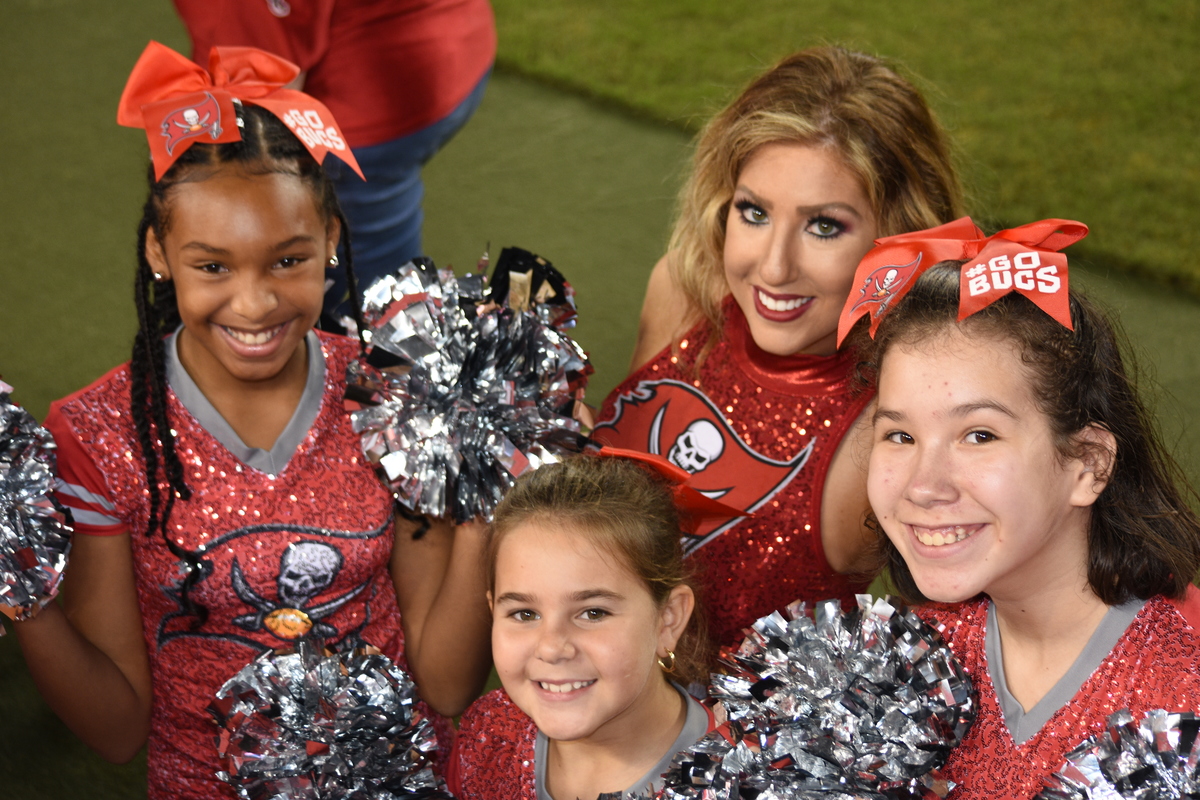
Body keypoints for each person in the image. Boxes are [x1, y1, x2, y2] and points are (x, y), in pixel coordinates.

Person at [13, 43, 492, 800]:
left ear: (332, 240)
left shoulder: (392, 392)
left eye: (287, 261)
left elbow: (447, 681)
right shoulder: (99, 433)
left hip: (407, 779)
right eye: (213, 266)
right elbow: (115, 731)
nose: (254, 304)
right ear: (158, 253)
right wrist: (21, 589)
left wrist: (480, 499)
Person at [592, 45, 963, 650]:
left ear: (900, 238)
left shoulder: (889, 422)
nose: (773, 266)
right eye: (754, 211)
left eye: (824, 226)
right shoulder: (686, 291)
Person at [850, 218, 1200, 800]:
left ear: (1087, 463)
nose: (923, 486)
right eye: (900, 436)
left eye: (979, 435)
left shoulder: (1187, 692)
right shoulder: (898, 663)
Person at [170, 0, 497, 324]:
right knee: (376, 257)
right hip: (455, 39)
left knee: (328, 288)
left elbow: (260, 104)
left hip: (362, 111)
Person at [448, 454, 718, 800]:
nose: (551, 647)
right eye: (525, 614)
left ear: (669, 618)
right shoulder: (488, 736)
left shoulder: (738, 780)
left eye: (592, 613)